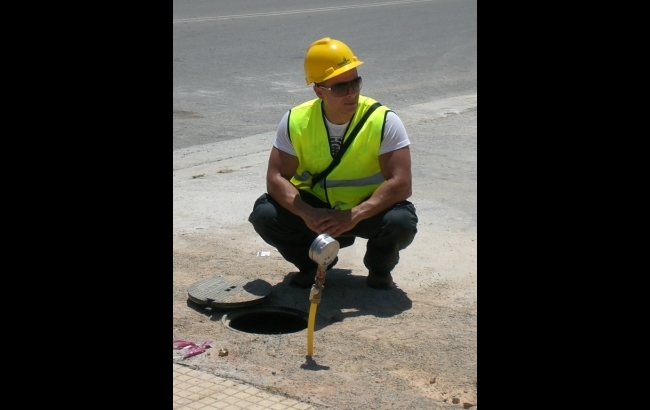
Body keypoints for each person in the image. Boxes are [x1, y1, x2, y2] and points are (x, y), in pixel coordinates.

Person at [248, 37, 418, 290]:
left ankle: (379, 268)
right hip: (316, 209)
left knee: (401, 222)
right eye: (340, 87)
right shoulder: (296, 120)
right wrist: (306, 212)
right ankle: (312, 265)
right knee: (265, 214)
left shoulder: (383, 120)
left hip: (366, 209)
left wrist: (354, 214)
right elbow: (275, 178)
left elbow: (402, 183)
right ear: (319, 91)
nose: (351, 93)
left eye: (355, 83)